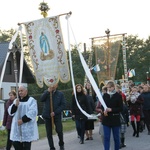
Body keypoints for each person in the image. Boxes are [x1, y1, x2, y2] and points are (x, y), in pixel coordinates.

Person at [8, 85, 39, 150]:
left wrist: (22, 120)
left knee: (26, 147)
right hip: (17, 128)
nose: (20, 92)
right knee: (15, 143)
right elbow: (10, 112)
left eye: (21, 91)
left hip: (26, 127)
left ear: (26, 91)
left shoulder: (31, 100)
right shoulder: (16, 100)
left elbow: (32, 112)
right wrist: (15, 105)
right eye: (19, 91)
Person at [40, 84, 65, 150]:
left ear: (57, 85)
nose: (53, 86)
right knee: (49, 133)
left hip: (56, 115)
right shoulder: (46, 92)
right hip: (47, 116)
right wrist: (48, 92)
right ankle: (51, 147)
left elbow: (63, 105)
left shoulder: (60, 94)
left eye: (54, 84)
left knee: (59, 130)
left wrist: (55, 112)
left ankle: (61, 143)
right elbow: (41, 99)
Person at [102, 80, 123, 150]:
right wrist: (103, 111)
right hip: (106, 119)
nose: (109, 89)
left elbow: (121, 108)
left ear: (113, 87)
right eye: (107, 87)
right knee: (106, 137)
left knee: (116, 137)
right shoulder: (105, 95)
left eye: (110, 87)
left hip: (115, 119)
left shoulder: (118, 96)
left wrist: (112, 109)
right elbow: (102, 106)